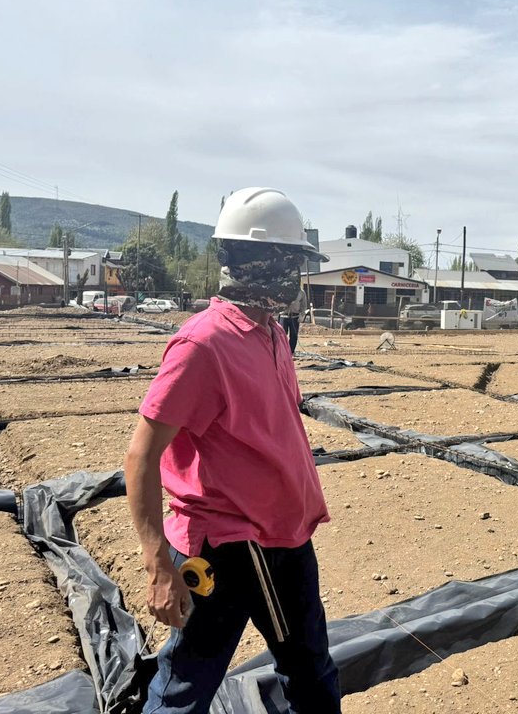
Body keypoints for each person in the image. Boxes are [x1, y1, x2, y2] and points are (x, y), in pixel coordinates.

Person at [123, 187, 339, 714]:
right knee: (189, 682)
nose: (297, 280)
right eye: (292, 264)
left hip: (283, 535)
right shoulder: (203, 345)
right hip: (236, 543)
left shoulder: (272, 333)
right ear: (260, 264)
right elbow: (142, 455)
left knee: (308, 667)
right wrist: (157, 563)